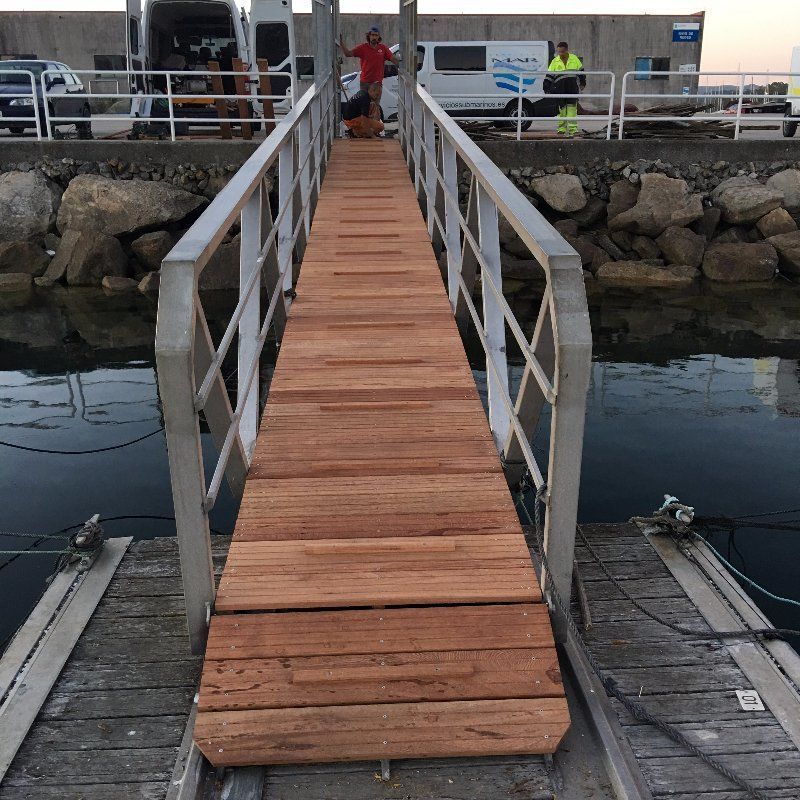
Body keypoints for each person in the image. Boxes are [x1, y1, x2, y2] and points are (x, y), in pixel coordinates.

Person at [339, 26, 399, 99]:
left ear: (378, 37)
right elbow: (348, 54)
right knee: (364, 106)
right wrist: (341, 42)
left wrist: (403, 66)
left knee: (375, 107)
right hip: (365, 83)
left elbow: (393, 59)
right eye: (372, 35)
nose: (374, 37)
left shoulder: (383, 48)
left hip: (377, 84)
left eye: (376, 35)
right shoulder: (363, 48)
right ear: (369, 36)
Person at [544, 42, 586, 137]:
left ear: (567, 50)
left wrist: (583, 83)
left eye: (562, 52)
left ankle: (573, 129)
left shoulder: (574, 59)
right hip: (560, 88)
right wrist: (546, 86)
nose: (560, 54)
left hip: (572, 87)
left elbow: (581, 72)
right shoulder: (555, 61)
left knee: (572, 109)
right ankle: (561, 129)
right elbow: (549, 75)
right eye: (559, 52)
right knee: (561, 110)